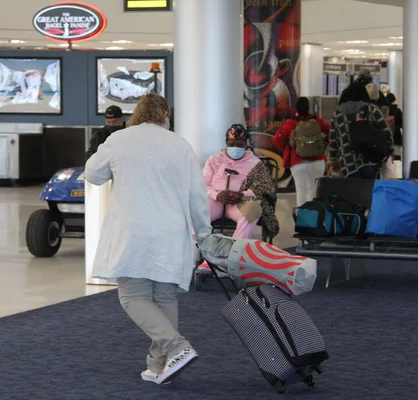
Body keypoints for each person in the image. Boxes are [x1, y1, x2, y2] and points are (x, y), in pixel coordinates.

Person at [85, 93, 212, 385]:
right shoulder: (180, 145)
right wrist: (204, 234)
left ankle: (176, 346)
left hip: (133, 231)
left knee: (132, 296)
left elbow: (93, 173)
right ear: (165, 117)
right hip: (170, 232)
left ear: (136, 115)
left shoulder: (119, 140)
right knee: (164, 296)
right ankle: (159, 367)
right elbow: (197, 196)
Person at [196, 124, 279, 274]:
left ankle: (231, 258)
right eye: (232, 144)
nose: (235, 147)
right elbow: (202, 185)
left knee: (253, 211)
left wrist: (243, 194)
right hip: (215, 199)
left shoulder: (255, 163)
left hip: (239, 202)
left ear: (246, 143)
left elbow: (263, 188)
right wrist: (217, 195)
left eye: (239, 144)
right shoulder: (214, 160)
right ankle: (207, 257)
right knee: (195, 213)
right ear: (226, 143)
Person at [328, 82, 393, 179]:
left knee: (353, 193)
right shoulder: (371, 109)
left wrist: (333, 160)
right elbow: (386, 131)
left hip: (347, 161)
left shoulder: (338, 114)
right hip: (370, 158)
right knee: (369, 191)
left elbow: (333, 140)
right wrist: (389, 150)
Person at [273, 97, 330, 206]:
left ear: (296, 108)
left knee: (301, 192)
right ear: (309, 108)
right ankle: (314, 217)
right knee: (314, 191)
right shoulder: (318, 121)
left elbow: (277, 139)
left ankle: (303, 219)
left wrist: (287, 149)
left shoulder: (290, 123)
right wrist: (323, 145)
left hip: (298, 162)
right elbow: (329, 132)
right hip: (318, 162)